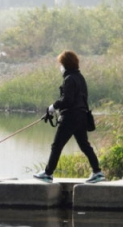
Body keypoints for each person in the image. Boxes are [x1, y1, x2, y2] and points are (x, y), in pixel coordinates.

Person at [34, 50, 104, 183]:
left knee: (57, 146)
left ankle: (48, 174)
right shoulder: (80, 77)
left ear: (65, 64)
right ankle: (98, 172)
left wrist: (52, 107)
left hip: (70, 117)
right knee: (85, 145)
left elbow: (67, 100)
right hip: (82, 116)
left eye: (61, 64)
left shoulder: (69, 79)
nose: (60, 67)